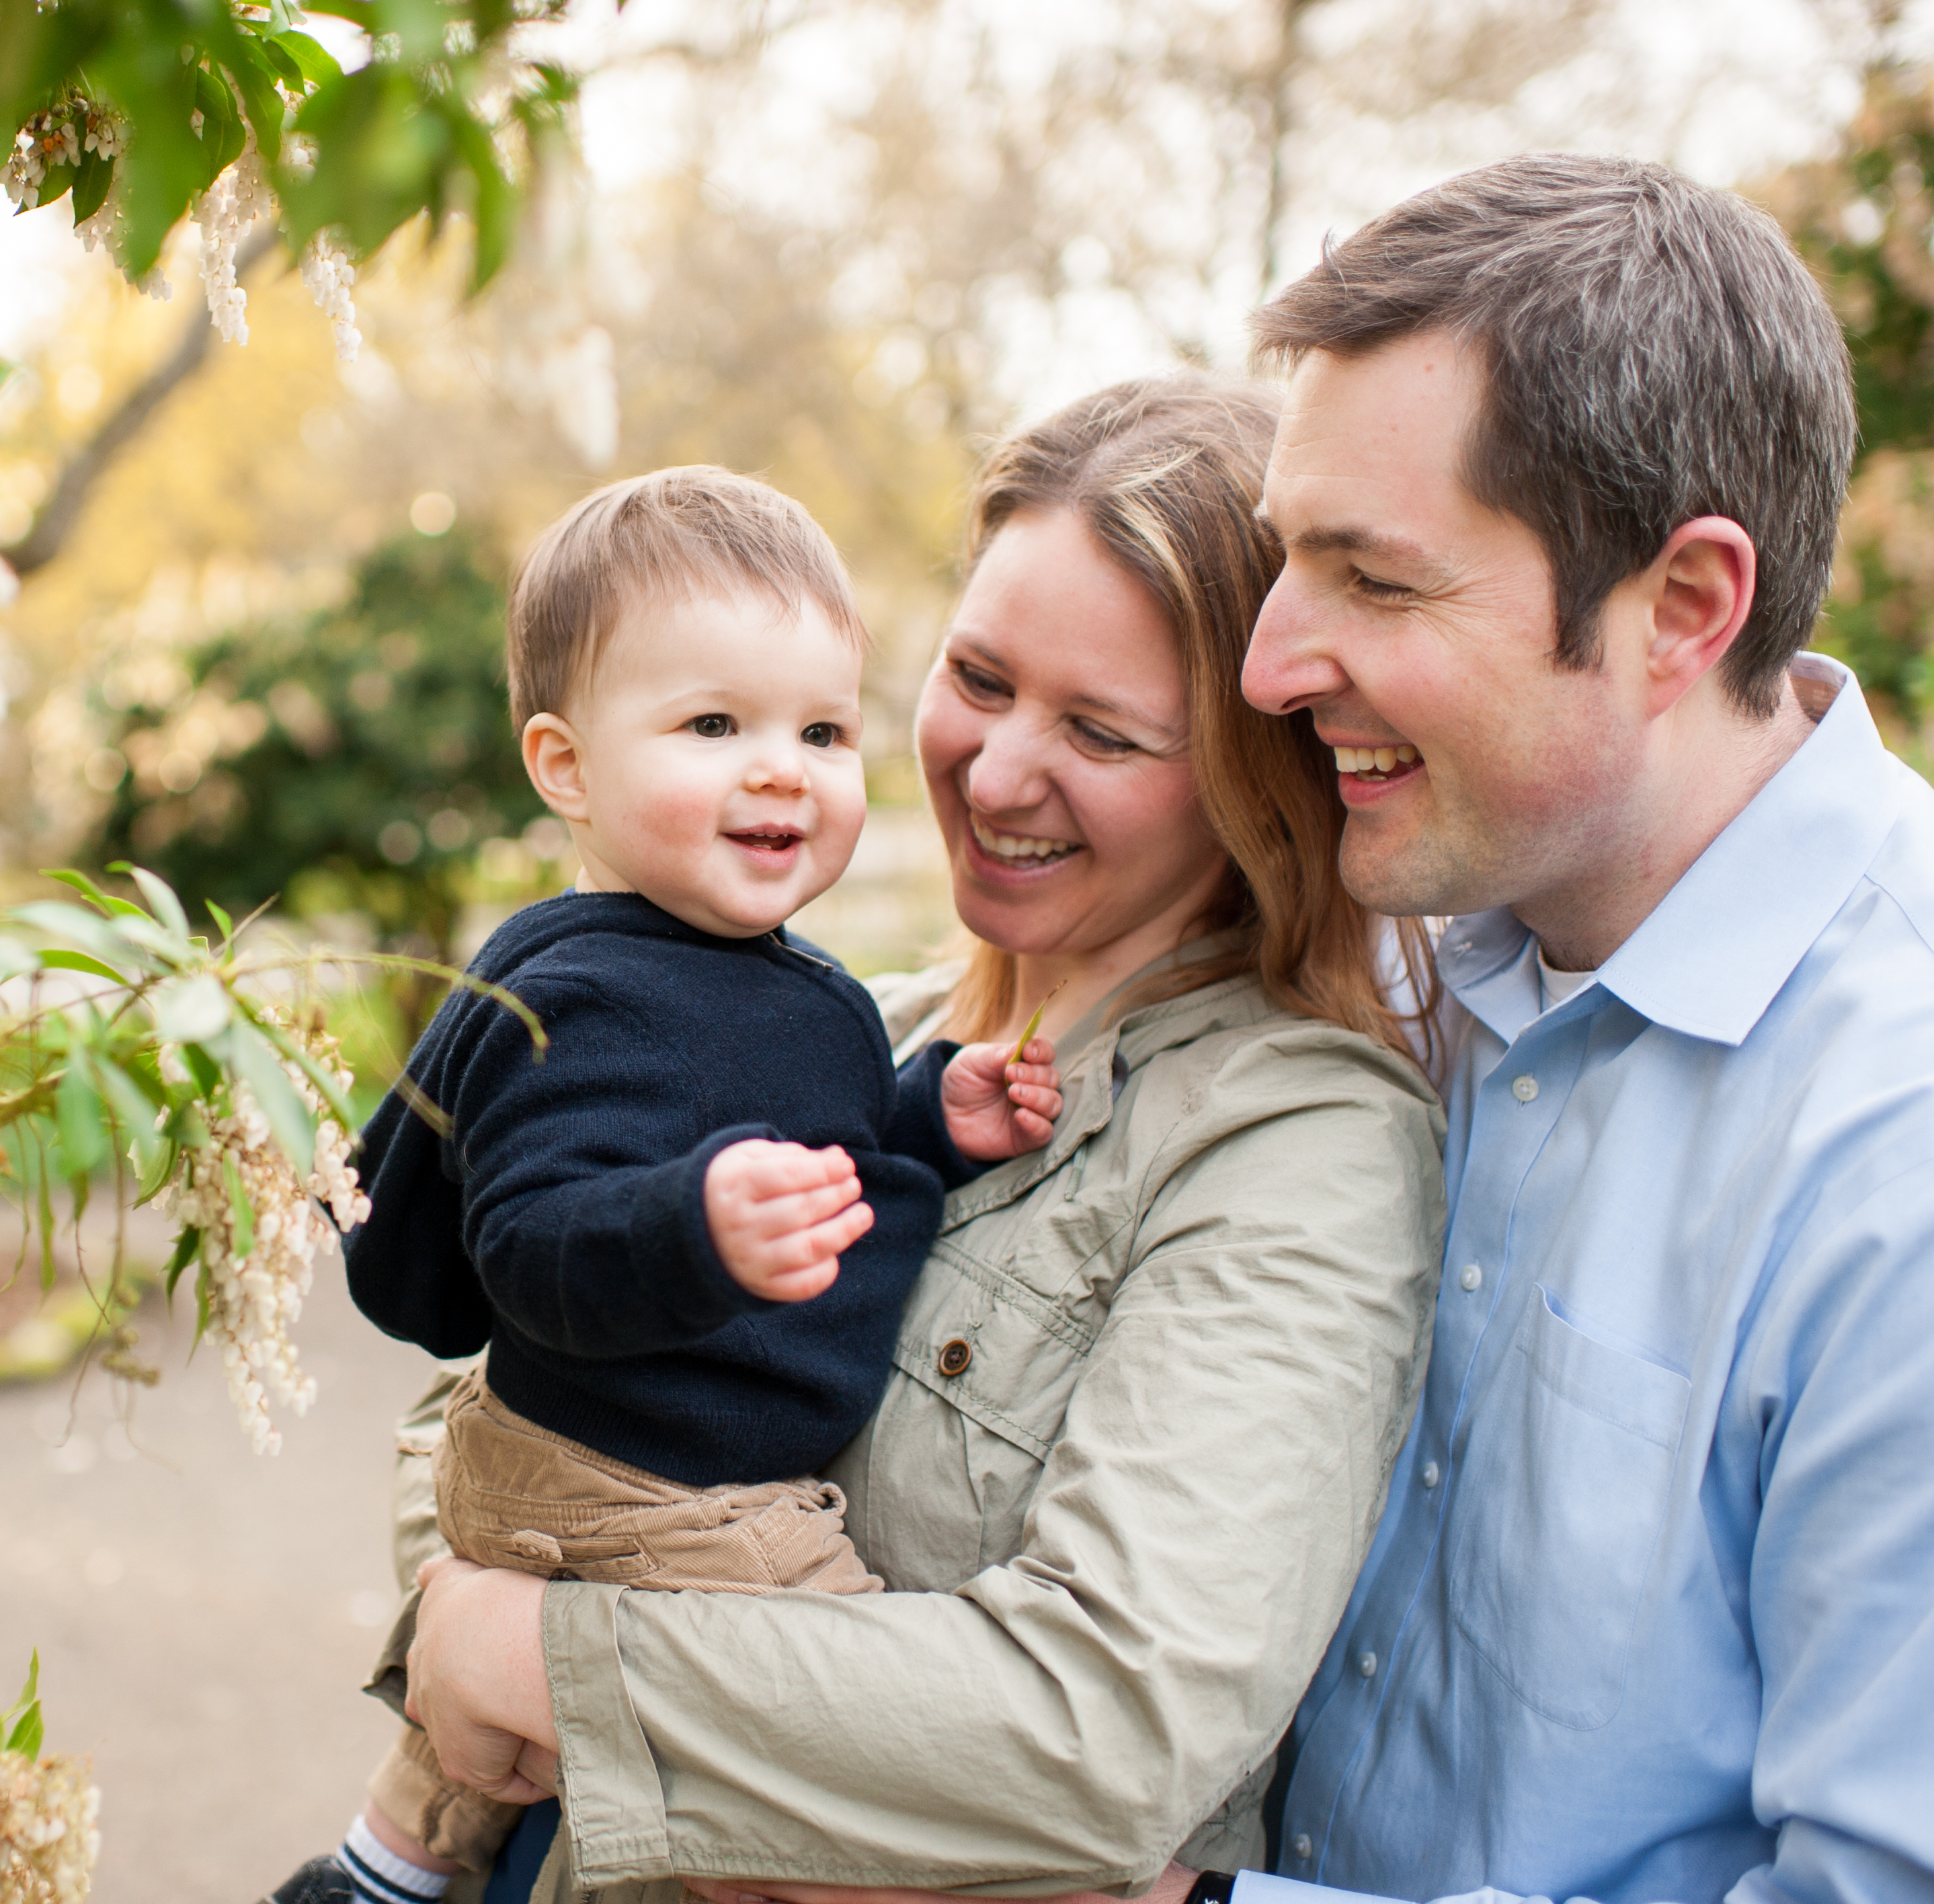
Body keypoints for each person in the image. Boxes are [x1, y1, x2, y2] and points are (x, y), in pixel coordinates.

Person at [387, 376, 1449, 1904]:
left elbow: (1098, 1736)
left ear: (1244, 777)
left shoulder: (1291, 1137)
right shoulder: (840, 1027)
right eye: (979, 677)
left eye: (1103, 730)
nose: (1000, 772)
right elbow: (469, 1401)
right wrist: (464, 1634)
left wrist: (533, 1658)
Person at [1218, 155, 1934, 1904]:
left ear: (1681, 608)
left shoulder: (1893, 1146)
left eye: (1374, 583)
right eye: (1282, 560)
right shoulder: (1388, 971)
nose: (1265, 665)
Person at [272, 469, 1067, 1904]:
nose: (783, 769)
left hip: (592, 1454)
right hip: (652, 1482)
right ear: (565, 767)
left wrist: (925, 1123)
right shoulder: (585, 999)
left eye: (821, 730)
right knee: (832, 1723)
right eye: (713, 726)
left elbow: (803, 1148)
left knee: (483, 1755)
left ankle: (381, 1870)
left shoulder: (764, 981)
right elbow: (527, 1239)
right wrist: (689, 1228)